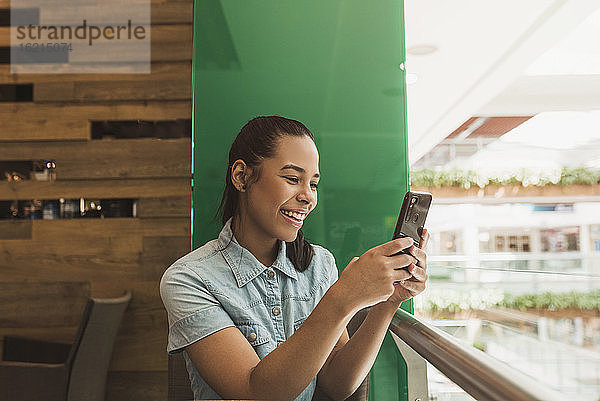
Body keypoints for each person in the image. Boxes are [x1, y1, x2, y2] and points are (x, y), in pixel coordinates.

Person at [160, 115, 429, 401]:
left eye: (313, 184)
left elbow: (338, 385)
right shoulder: (188, 280)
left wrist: (388, 303)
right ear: (241, 176)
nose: (309, 197)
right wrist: (343, 298)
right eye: (292, 179)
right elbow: (253, 393)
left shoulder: (320, 265)